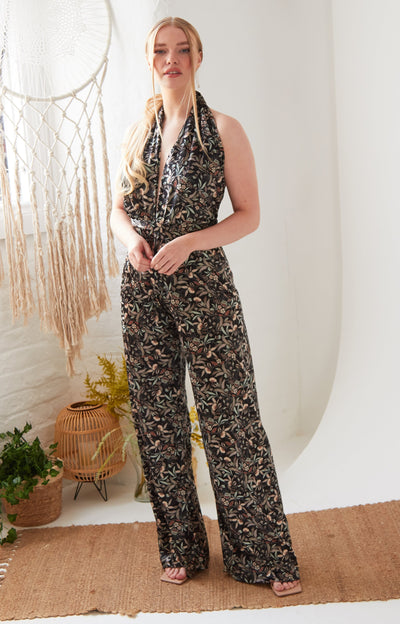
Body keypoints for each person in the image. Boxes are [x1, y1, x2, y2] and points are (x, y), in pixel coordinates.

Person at [111, 16, 302, 597]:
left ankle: (264, 555)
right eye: (161, 51)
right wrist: (132, 242)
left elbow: (249, 214)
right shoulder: (137, 130)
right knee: (158, 420)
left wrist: (191, 241)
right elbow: (115, 210)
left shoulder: (224, 129)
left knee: (231, 418)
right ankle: (181, 548)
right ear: (150, 60)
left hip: (205, 291)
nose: (172, 60)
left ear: (198, 56)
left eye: (182, 50)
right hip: (143, 292)